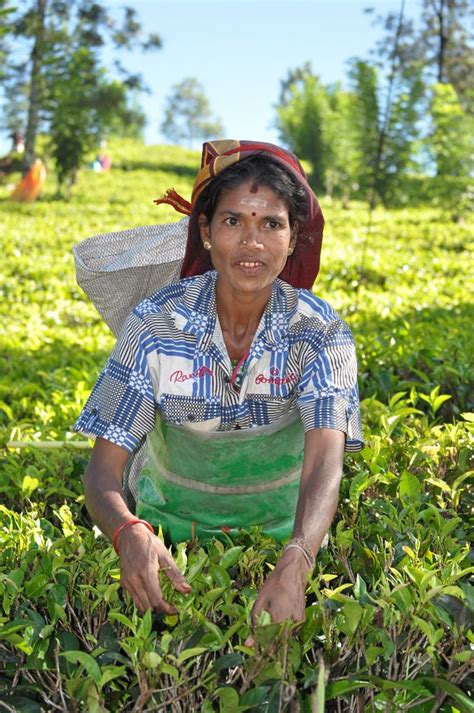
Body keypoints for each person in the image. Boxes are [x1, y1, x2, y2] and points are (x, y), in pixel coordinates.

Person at [74, 139, 363, 624]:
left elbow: (324, 463)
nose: (252, 242)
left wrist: (299, 558)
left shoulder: (319, 331)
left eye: (271, 223)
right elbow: (102, 471)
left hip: (285, 543)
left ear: (293, 239)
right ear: (205, 232)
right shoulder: (156, 323)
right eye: (233, 221)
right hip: (169, 545)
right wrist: (128, 531)